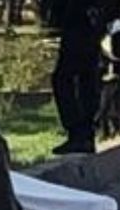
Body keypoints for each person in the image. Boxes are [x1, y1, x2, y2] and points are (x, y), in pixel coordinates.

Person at [47, 0, 106, 156]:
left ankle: (78, 132)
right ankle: (85, 133)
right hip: (89, 22)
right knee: (85, 78)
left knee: (64, 78)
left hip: (80, 22)